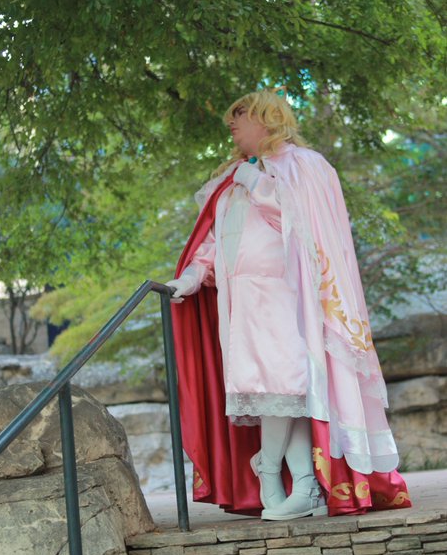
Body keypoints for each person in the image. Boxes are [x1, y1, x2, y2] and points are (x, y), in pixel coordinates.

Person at [167, 88, 411, 520]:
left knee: (285, 388)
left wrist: (257, 184)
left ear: (267, 118)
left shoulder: (304, 165)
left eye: (241, 115)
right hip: (240, 305)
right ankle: (301, 485)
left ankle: (271, 472)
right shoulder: (231, 180)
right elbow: (214, 242)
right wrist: (190, 276)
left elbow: (303, 226)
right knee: (278, 396)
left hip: (287, 298)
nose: (232, 124)